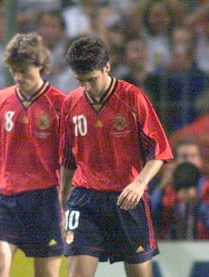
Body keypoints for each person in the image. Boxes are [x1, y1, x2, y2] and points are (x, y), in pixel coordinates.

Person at [60, 36, 173, 277]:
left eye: (92, 80)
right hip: (84, 199)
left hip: (126, 198)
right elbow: (68, 160)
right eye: (81, 81)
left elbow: (159, 152)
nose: (87, 87)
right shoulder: (70, 103)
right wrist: (62, 205)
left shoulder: (132, 98)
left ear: (107, 67)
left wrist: (139, 183)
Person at [0, 32, 65, 277]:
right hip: (4, 199)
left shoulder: (60, 105)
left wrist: (66, 205)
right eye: (14, 71)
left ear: (41, 66)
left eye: (25, 71)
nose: (19, 77)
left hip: (45, 201)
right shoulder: (0, 101)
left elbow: (72, 162)